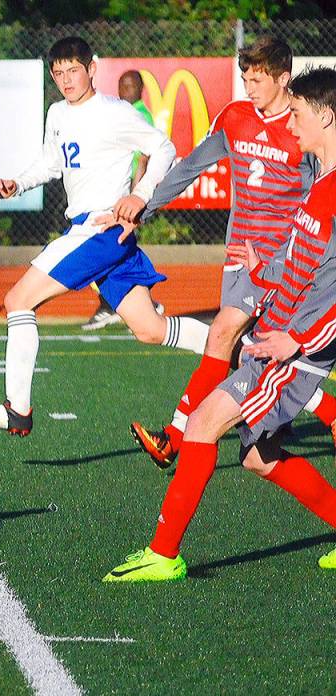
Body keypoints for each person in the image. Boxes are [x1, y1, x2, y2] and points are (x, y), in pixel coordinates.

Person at [104, 66, 336, 582]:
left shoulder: (331, 188)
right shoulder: (322, 181)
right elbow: (304, 261)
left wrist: (295, 341)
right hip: (281, 335)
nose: (289, 126)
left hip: (293, 348)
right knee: (258, 456)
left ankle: (163, 554)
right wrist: (263, 270)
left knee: (204, 423)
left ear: (325, 115)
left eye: (297, 114)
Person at [0, 36, 208, 437]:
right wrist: (17, 184)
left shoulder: (114, 112)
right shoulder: (57, 112)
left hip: (99, 230)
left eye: (73, 70)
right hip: (94, 231)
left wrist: (139, 195)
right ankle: (233, 349)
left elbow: (163, 147)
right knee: (149, 328)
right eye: (58, 73)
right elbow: (50, 164)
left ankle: (17, 408)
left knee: (17, 300)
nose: (66, 79)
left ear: (92, 69)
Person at [121, 37, 336, 469]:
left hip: (284, 264)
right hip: (240, 259)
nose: (249, 87)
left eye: (258, 79)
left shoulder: (303, 131)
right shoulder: (234, 117)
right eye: (244, 78)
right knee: (249, 355)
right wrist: (143, 205)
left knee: (223, 332)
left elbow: (321, 198)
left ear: (283, 79)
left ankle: (177, 435)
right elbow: (190, 167)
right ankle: (317, 412)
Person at [81, 69, 163, 331]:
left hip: (125, 194)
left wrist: (136, 194)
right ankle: (140, 304)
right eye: (121, 87)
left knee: (102, 245)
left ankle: (112, 303)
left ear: (140, 89)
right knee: (116, 248)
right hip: (116, 191)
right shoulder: (120, 113)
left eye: (130, 87)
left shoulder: (138, 114)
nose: (124, 92)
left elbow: (144, 157)